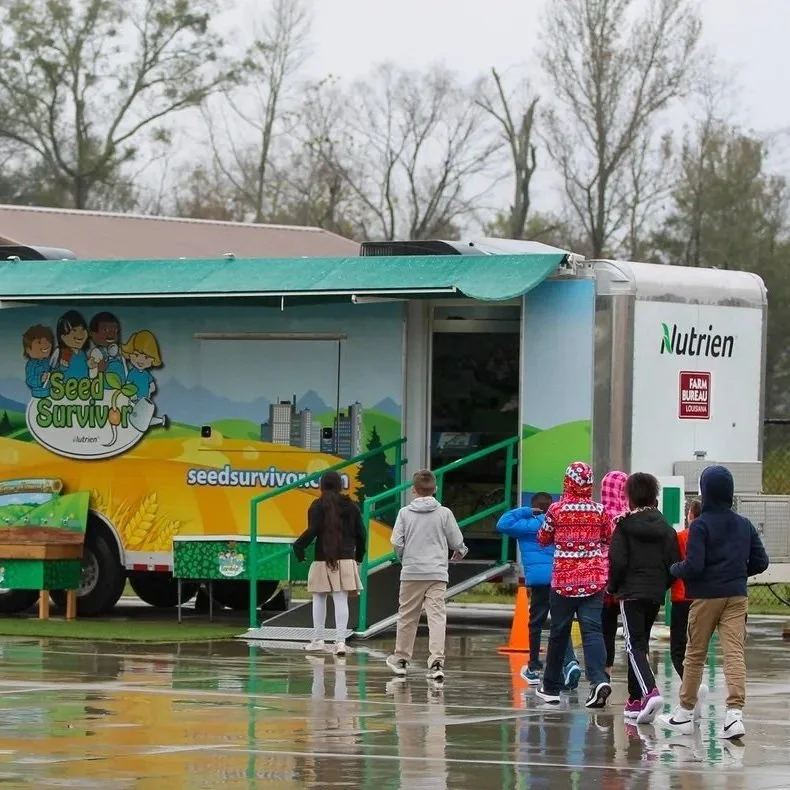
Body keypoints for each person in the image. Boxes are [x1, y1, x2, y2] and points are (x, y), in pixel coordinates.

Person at [659, 465, 769, 739]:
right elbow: (761, 561)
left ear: (706, 492)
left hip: (706, 596)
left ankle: (684, 713)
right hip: (736, 596)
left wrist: (674, 569)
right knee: (734, 653)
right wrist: (736, 573)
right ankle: (734, 716)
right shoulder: (744, 524)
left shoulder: (701, 525)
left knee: (695, 654)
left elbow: (694, 566)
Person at [535, 461, 613, 709]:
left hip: (564, 583)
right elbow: (608, 537)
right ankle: (599, 680)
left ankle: (550, 688)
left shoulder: (556, 510)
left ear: (567, 482)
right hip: (593, 580)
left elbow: (543, 539)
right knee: (592, 631)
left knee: (559, 632)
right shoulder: (600, 511)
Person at [608, 473, 681, 724]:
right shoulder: (666, 527)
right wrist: (662, 585)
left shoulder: (624, 526)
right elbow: (675, 563)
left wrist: (613, 587)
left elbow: (617, 561)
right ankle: (635, 699)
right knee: (640, 644)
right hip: (654, 593)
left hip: (630, 593)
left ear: (630, 496)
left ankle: (650, 691)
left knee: (633, 644)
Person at [387, 469, 468, 682]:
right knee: (437, 616)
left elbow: (396, 541)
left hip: (412, 572)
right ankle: (436, 663)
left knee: (407, 616)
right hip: (437, 573)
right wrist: (459, 551)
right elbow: (456, 541)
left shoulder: (404, 513)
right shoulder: (444, 513)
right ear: (436, 489)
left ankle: (402, 659)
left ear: (413, 490)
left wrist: (404, 557)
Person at [497, 492, 582, 690]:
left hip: (538, 581)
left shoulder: (528, 526)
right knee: (561, 623)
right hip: (558, 578)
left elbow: (503, 523)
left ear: (534, 507)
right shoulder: (558, 524)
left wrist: (525, 511)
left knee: (536, 623)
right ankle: (569, 663)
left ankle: (534, 667)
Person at [293, 470, 366, 656]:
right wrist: (359, 557)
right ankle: (340, 643)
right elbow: (361, 534)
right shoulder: (352, 506)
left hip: (322, 558)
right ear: (340, 486)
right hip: (346, 558)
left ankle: (318, 640)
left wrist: (299, 546)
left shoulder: (317, 505)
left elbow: (313, 530)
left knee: (319, 598)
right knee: (341, 600)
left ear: (321, 486)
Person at [600, 470, 628, 676]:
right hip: (628, 580)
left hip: (603, 580)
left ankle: (605, 670)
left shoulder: (601, 514)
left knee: (606, 629)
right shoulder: (629, 515)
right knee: (633, 630)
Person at [670, 499, 702, 678]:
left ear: (690, 515)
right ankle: (696, 678)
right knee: (697, 644)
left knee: (678, 647)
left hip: (681, 596)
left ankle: (688, 681)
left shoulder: (681, 537)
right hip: (702, 596)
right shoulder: (709, 537)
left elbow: (673, 562)